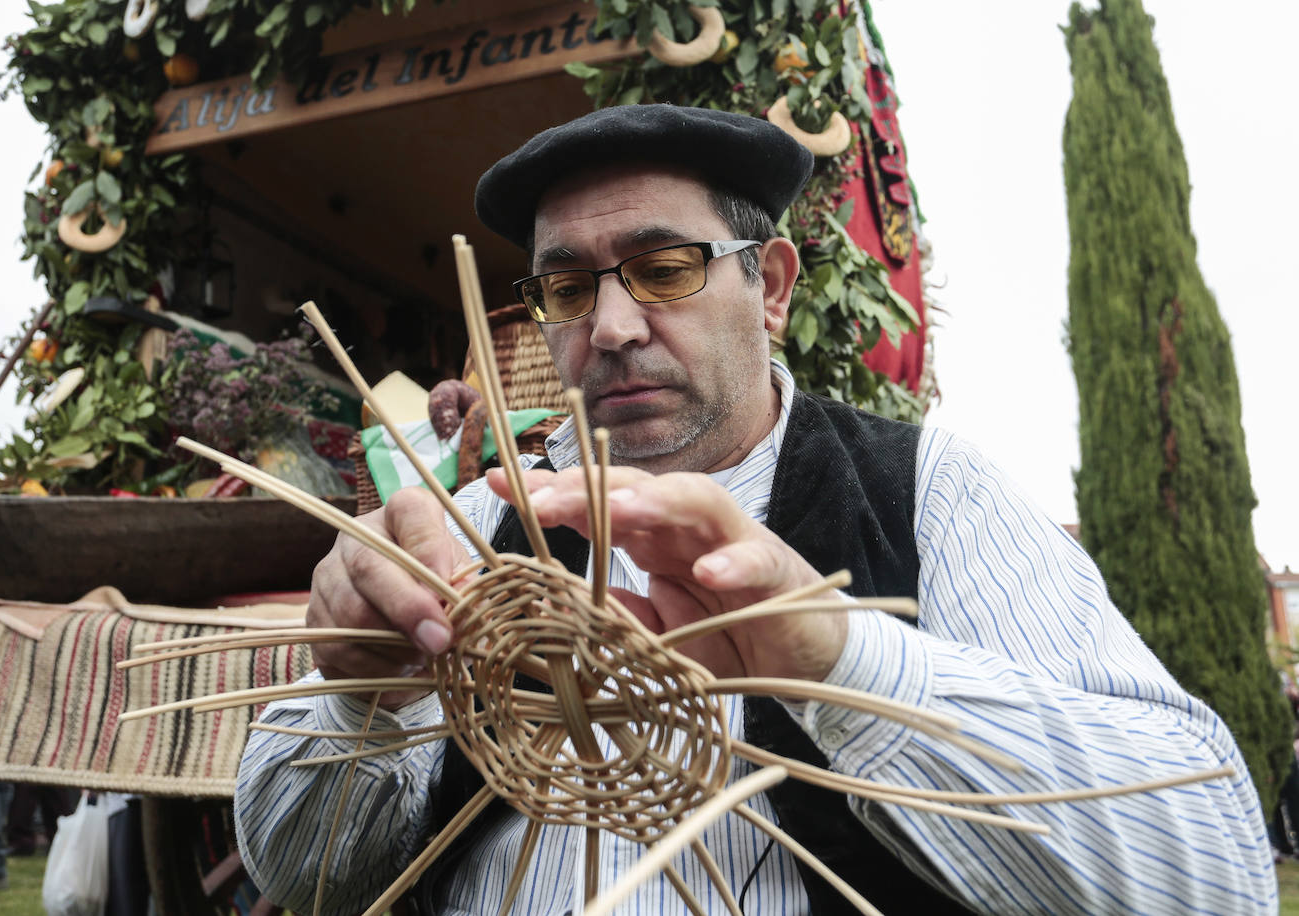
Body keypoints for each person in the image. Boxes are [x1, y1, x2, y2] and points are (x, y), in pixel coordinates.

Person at [235, 105, 1273, 914]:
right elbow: (304, 876)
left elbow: (1217, 871)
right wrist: (360, 701)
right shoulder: (464, 525)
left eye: (665, 268)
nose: (611, 325)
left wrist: (846, 661)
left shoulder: (925, 491)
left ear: (770, 285)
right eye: (565, 287)